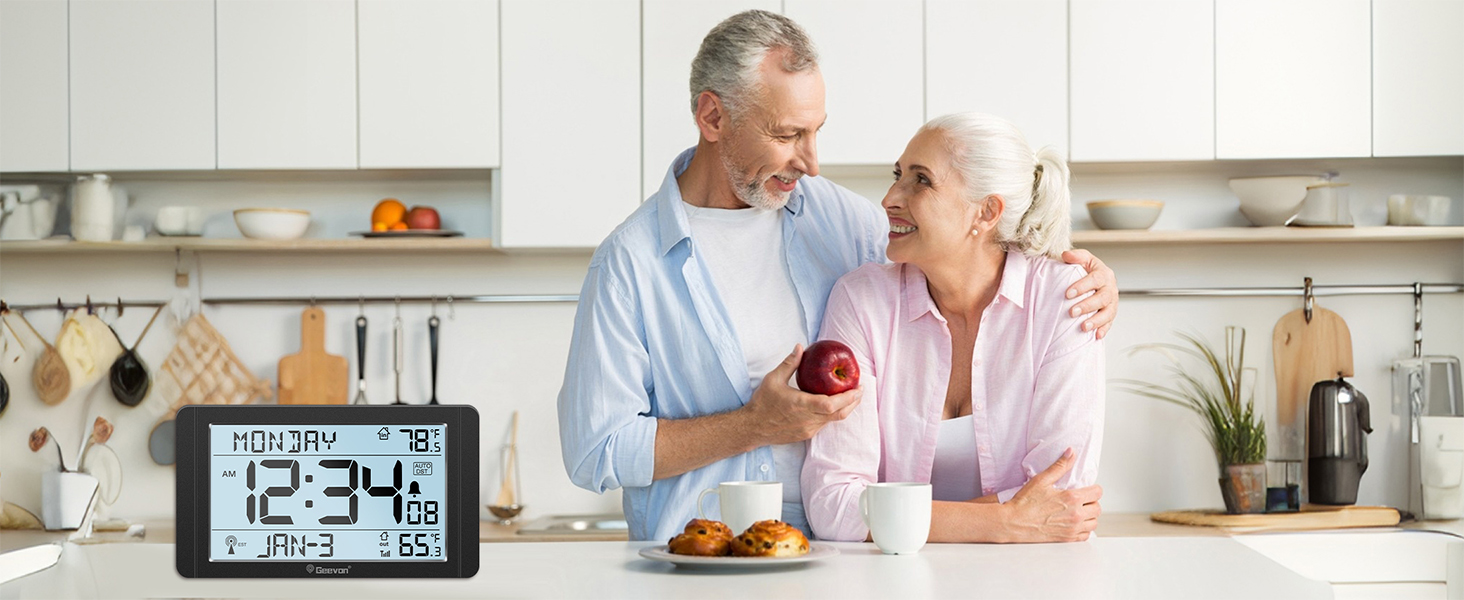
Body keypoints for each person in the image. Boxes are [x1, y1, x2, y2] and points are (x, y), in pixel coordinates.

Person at [556, 10, 1118, 543]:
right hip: (697, 557)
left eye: (815, 131)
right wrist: (753, 425)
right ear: (712, 117)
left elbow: (958, 244)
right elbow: (596, 451)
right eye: (787, 134)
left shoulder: (836, 220)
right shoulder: (628, 265)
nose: (811, 161)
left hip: (834, 562)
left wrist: (1086, 277)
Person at [802, 112, 1104, 543]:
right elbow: (832, 504)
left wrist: (892, 519)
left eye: (921, 180)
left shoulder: (1065, 299)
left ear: (986, 211)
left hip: (1034, 577)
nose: (890, 197)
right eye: (897, 175)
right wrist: (1004, 521)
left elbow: (1063, 500)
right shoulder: (861, 300)